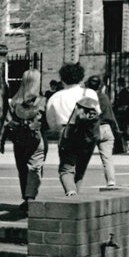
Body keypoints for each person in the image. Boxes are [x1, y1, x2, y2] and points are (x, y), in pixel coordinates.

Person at [45, 63, 101, 197]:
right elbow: (97, 113)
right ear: (81, 78)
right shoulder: (89, 93)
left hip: (67, 133)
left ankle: (71, 193)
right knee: (80, 169)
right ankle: (75, 196)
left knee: (66, 169)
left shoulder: (56, 97)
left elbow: (51, 122)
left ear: (62, 79)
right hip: (87, 135)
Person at [0, 68, 47, 216]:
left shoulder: (14, 101)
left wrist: (1, 141)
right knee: (34, 168)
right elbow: (47, 122)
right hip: (36, 139)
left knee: (22, 169)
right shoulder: (41, 101)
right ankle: (30, 197)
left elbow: (7, 122)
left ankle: (26, 198)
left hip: (19, 140)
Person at [85, 74, 120, 191]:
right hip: (106, 127)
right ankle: (111, 181)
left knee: (82, 156)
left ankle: (75, 179)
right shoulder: (104, 97)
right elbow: (111, 115)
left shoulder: (87, 99)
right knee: (107, 158)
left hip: (93, 128)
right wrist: (116, 129)